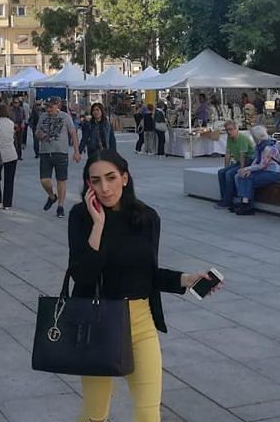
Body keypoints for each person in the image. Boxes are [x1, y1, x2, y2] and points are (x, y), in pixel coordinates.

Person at [69, 151, 218, 422]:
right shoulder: (81, 216)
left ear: (125, 178)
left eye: (111, 178)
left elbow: (147, 275)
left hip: (140, 323)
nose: (104, 187)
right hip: (97, 323)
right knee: (95, 414)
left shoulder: (147, 217)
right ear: (88, 185)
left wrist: (186, 279)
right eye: (96, 181)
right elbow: (83, 275)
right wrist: (99, 224)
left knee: (149, 413)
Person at [35, 96, 81, 218]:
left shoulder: (65, 117)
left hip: (61, 152)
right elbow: (36, 132)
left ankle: (60, 206)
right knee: (44, 180)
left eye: (51, 106)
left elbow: (73, 134)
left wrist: (77, 151)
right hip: (45, 152)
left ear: (58, 105)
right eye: (47, 107)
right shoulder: (42, 117)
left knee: (61, 180)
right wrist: (40, 135)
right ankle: (51, 196)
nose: (48, 109)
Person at [233, 125, 280, 215]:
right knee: (242, 176)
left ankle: (246, 204)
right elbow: (256, 160)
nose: (252, 138)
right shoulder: (260, 146)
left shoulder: (269, 147)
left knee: (247, 179)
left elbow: (262, 165)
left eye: (253, 136)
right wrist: (248, 170)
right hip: (263, 170)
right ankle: (244, 203)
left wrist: (247, 169)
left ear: (257, 137)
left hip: (273, 172)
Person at [216, 120, 254, 210]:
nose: (229, 132)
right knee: (222, 172)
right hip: (239, 160)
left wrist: (241, 169)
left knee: (229, 174)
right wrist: (226, 167)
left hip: (248, 161)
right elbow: (228, 154)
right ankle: (224, 198)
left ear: (236, 129)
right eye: (227, 130)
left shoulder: (242, 138)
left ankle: (227, 201)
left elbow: (243, 156)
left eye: (230, 129)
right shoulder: (229, 138)